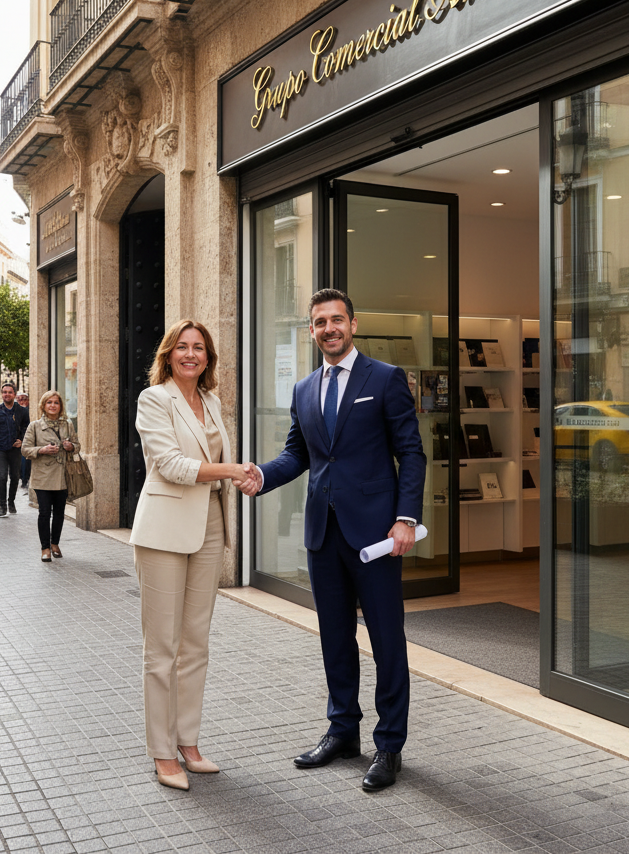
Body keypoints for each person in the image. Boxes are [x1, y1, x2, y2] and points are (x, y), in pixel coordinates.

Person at [241, 289, 426, 792]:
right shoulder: (304, 389)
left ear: (353, 324)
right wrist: (261, 475)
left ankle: (390, 745)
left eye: (336, 320)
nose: (329, 329)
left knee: (387, 640)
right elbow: (297, 454)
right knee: (334, 638)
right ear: (311, 331)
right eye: (320, 322)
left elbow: (411, 453)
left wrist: (406, 518)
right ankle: (343, 730)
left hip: (376, 536)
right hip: (323, 532)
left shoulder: (385, 379)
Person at [130, 319, 251, 792]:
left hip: (209, 525)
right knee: (162, 648)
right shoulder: (154, 399)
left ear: (208, 357)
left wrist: (237, 476)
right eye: (182, 346)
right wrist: (233, 470)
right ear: (168, 354)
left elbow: (214, 468)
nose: (190, 354)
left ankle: (189, 742)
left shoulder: (214, 401)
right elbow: (170, 465)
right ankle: (162, 752)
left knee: (196, 642)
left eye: (199, 347)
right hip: (163, 531)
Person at [22, 390, 80, 563]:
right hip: (43, 476)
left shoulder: (67, 424)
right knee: (44, 513)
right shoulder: (34, 426)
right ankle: (45, 548)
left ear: (60, 406)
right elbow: (25, 449)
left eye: (56, 402)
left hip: (63, 475)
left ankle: (55, 543)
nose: (53, 405)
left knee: (60, 513)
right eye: (49, 402)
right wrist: (42, 450)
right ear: (43, 405)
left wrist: (71, 446)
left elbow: (77, 445)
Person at [0, 382, 29, 516]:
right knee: (1, 477)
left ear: (14, 394)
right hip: (0, 448)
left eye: (9, 392)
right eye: (4, 392)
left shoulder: (22, 411)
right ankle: (2, 506)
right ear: (2, 394)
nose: (7, 394)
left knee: (15, 477)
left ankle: (11, 501)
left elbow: (27, 428)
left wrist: (22, 440)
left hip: (15, 449)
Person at [17, 393, 32, 491]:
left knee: (25, 461)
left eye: (24, 399)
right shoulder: (16, 411)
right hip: (18, 440)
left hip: (26, 439)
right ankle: (22, 478)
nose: (22, 401)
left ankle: (24, 479)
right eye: (19, 399)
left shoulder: (29, 410)